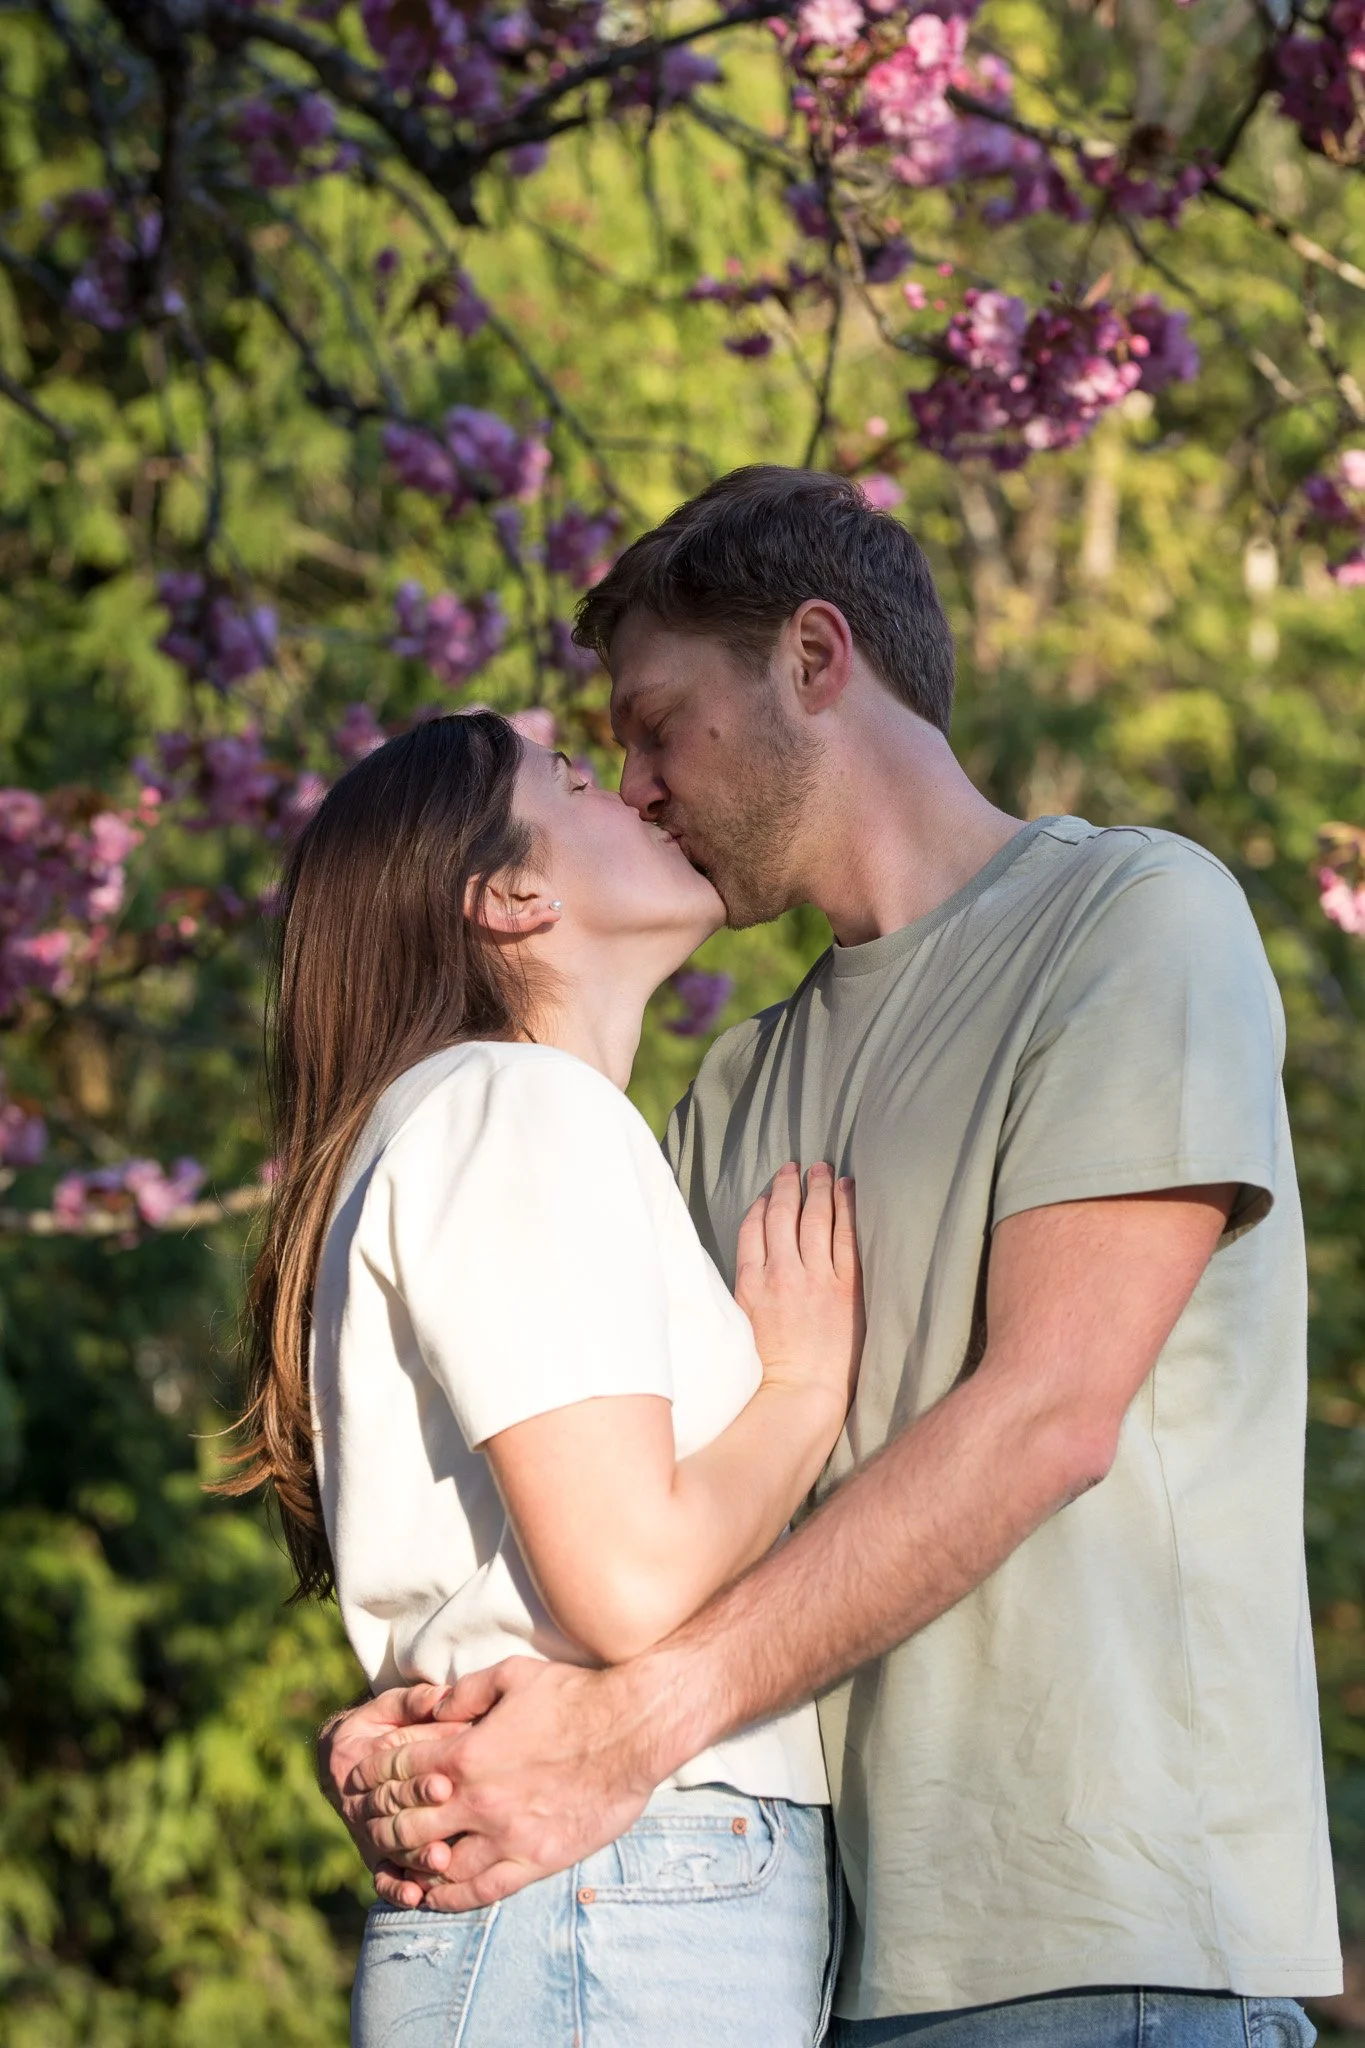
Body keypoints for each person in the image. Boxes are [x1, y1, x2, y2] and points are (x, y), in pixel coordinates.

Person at [322, 467, 1343, 2048]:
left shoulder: (1131, 922)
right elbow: (646, 1505)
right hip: (817, 1952)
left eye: (657, 726)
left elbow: (1049, 1418)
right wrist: (440, 1720)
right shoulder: (731, 1090)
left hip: (1086, 1940)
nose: (640, 785)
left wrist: (622, 1728)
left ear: (815, 659)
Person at [226, 709, 866, 2045]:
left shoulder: (487, 1120)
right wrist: (803, 1387)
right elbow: (626, 1578)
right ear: (511, 896)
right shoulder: (511, 1108)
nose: (635, 790)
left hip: (615, 1888)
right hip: (616, 1888)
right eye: (576, 780)